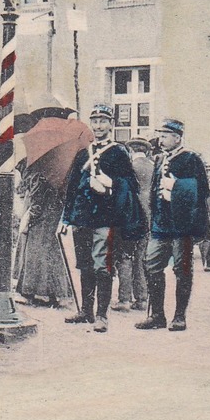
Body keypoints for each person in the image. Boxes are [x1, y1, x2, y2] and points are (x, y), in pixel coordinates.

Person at [60, 103, 147, 332]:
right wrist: (66, 218)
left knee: (103, 266)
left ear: (111, 124)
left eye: (103, 121)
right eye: (95, 121)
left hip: (106, 219)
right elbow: (71, 188)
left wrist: (109, 185)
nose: (98, 125)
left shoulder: (118, 152)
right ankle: (86, 312)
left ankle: (101, 316)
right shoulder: (82, 153)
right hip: (83, 218)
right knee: (85, 265)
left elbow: (130, 186)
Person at [135, 118, 209, 333]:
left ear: (177, 138)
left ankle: (179, 317)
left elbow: (202, 190)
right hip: (161, 225)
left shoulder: (191, 159)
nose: (161, 139)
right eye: (160, 135)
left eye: (165, 135)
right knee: (151, 264)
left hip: (183, 226)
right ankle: (157, 315)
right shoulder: (158, 159)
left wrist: (176, 186)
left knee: (182, 269)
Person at [13, 164, 72, 307]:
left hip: (41, 221)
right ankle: (56, 294)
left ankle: (31, 293)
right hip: (55, 217)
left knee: (35, 255)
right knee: (53, 255)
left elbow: (36, 201)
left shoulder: (39, 172)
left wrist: (30, 217)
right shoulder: (62, 169)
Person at [114, 138, 155, 312]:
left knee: (124, 258)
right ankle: (142, 299)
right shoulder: (154, 167)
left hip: (130, 218)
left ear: (130, 151)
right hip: (150, 219)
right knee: (141, 259)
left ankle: (124, 299)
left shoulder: (127, 167)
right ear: (145, 151)